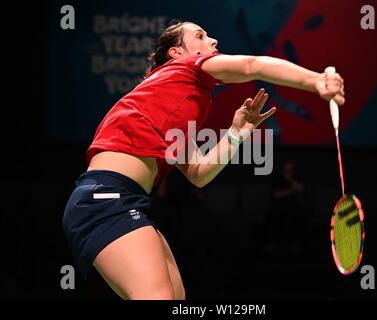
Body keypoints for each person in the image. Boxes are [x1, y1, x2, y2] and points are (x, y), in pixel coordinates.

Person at [62, 20, 345, 300]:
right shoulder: (185, 68)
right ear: (177, 53)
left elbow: (198, 173)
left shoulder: (179, 103)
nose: (213, 42)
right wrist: (315, 80)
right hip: (105, 198)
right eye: (200, 36)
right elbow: (252, 66)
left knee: (175, 299)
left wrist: (237, 133)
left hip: (127, 200)